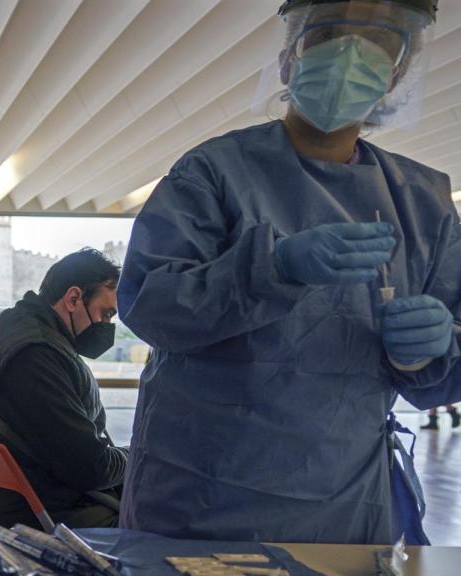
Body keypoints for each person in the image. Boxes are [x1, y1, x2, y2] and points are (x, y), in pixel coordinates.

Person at [117, 0, 460, 545]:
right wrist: (271, 267)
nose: (350, 55)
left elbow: (446, 370)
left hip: (343, 502)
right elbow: (151, 305)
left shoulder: (424, 204)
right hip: (199, 497)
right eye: (328, 35)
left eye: (378, 42)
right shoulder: (212, 172)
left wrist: (426, 352)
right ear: (287, 59)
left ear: (396, 75)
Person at [0, 248, 127, 529]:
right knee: (178, 523)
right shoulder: (35, 356)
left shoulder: (16, 330)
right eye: (106, 313)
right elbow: (91, 468)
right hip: (58, 520)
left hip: (38, 506)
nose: (107, 325)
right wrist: (136, 457)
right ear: (73, 299)